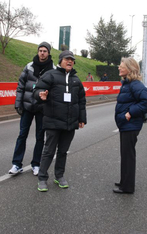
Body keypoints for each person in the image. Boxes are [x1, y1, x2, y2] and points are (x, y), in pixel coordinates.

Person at [34, 50, 87, 192]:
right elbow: (37, 89)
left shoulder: (76, 80)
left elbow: (81, 101)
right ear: (60, 61)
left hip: (70, 123)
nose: (70, 61)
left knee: (63, 151)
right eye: (67, 59)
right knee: (48, 151)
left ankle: (59, 176)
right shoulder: (50, 75)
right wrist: (41, 95)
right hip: (53, 121)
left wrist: (82, 118)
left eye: (72, 60)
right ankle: (42, 178)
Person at [8, 42, 55, 176]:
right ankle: (17, 164)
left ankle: (36, 164)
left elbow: (55, 89)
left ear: (48, 53)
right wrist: (18, 103)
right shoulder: (29, 66)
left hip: (42, 108)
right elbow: (21, 86)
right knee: (22, 135)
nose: (42, 53)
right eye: (40, 50)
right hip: (28, 106)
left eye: (45, 51)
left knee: (40, 137)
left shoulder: (53, 69)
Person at [113, 57, 147, 194]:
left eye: (121, 65)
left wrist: (130, 113)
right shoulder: (128, 83)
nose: (119, 67)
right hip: (126, 125)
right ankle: (124, 181)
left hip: (130, 125)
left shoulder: (135, 85)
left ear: (129, 69)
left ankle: (127, 187)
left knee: (128, 156)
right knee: (125, 155)